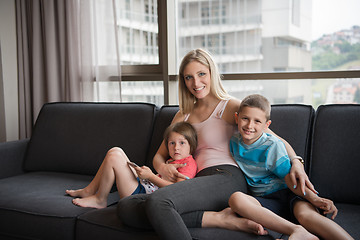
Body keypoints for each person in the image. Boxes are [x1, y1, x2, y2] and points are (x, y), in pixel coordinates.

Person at [117, 48, 317, 240]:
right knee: (126, 207)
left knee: (159, 201)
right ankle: (220, 219)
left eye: (202, 74)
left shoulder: (229, 106)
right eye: (189, 77)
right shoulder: (182, 115)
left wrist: (297, 162)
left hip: (226, 177)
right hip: (195, 182)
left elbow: (275, 139)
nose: (196, 82)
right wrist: (163, 167)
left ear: (212, 73)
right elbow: (159, 156)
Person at [228, 94, 353, 240]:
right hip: (265, 200)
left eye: (257, 121)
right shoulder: (234, 142)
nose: (249, 125)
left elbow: (289, 179)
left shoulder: (272, 146)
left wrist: (314, 198)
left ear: (266, 125)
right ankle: (296, 230)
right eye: (245, 118)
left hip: (290, 193)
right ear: (237, 118)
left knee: (306, 216)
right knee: (236, 199)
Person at [65, 121, 197, 209]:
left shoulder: (188, 164)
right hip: (145, 185)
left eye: (182, 143)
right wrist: (146, 175)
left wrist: (151, 176)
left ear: (191, 145)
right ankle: (89, 191)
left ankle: (100, 199)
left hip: (143, 197)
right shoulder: (173, 160)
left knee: (114, 157)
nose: (176, 148)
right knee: (116, 151)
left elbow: (179, 190)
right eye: (172, 143)